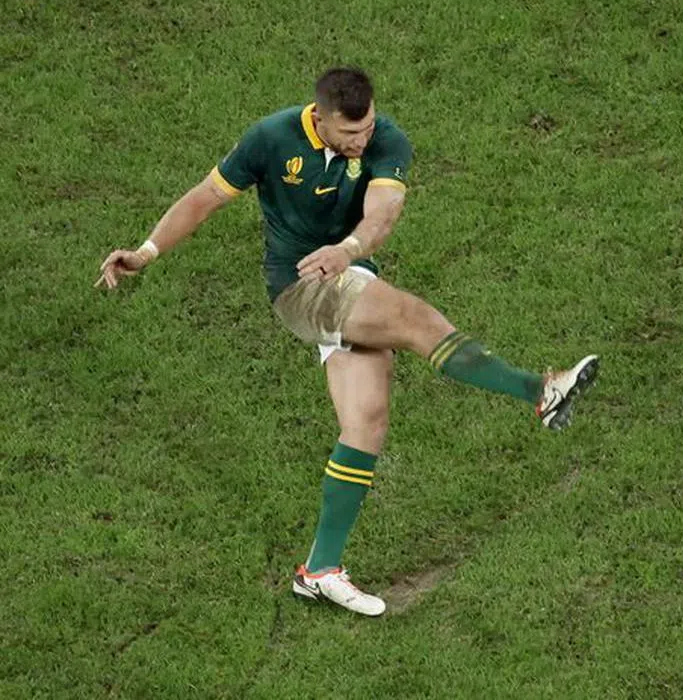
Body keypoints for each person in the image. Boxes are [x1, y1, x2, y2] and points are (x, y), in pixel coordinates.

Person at [96, 66, 599, 617]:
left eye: (367, 130)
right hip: (297, 286)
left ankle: (320, 570)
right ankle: (540, 390)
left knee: (367, 423)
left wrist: (350, 249)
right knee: (415, 320)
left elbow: (383, 214)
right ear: (320, 118)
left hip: (350, 273)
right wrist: (146, 252)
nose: (361, 142)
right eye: (348, 135)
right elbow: (203, 199)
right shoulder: (271, 137)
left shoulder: (387, 139)